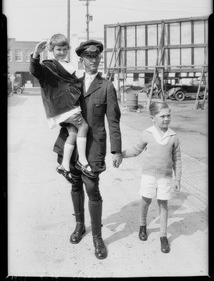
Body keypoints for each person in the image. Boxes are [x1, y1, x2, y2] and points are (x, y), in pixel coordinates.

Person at [53, 39, 122, 260]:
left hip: (94, 147)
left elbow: (113, 121)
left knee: (92, 188)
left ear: (99, 58)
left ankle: (98, 237)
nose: (93, 60)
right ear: (82, 60)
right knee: (75, 185)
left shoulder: (107, 86)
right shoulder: (72, 82)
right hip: (72, 144)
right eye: (89, 57)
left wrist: (117, 150)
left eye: (96, 57)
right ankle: (80, 225)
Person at [29, 34, 95, 181]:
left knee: (73, 132)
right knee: (83, 126)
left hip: (70, 106)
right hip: (64, 107)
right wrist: (36, 53)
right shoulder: (49, 65)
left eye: (65, 49)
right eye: (58, 49)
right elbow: (35, 71)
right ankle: (82, 160)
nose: (62, 52)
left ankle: (64, 165)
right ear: (52, 49)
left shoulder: (69, 65)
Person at [122, 101, 181, 253]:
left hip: (165, 177)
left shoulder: (173, 136)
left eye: (169, 115)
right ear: (152, 118)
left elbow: (177, 159)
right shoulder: (147, 133)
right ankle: (142, 226)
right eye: (162, 116)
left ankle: (163, 235)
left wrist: (178, 179)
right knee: (146, 200)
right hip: (149, 175)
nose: (166, 119)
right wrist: (120, 155)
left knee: (163, 204)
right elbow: (136, 150)